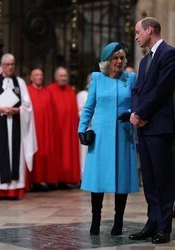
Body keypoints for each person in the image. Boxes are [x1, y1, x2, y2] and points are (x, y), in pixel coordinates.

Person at [78, 42, 139, 235]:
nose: (119, 62)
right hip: (101, 135)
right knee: (98, 178)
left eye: (121, 58)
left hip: (123, 134)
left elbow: (138, 103)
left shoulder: (130, 78)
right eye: (115, 58)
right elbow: (89, 107)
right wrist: (82, 129)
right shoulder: (97, 78)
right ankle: (95, 220)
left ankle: (118, 221)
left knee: (121, 179)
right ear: (107, 61)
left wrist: (129, 112)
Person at [129, 17, 175, 244]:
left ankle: (164, 227)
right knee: (148, 179)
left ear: (150, 30)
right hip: (144, 128)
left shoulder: (169, 54)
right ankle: (152, 222)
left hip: (160, 128)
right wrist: (137, 113)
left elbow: (161, 90)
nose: (136, 37)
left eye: (138, 32)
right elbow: (137, 90)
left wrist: (141, 114)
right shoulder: (144, 60)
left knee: (163, 179)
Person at [0, 53, 37, 199]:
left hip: (15, 123)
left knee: (14, 157)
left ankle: (13, 191)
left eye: (12, 64)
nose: (10, 67)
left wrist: (18, 110)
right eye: (7, 64)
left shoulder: (20, 82)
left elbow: (28, 105)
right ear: (2, 66)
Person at [47, 67, 80, 186]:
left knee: (68, 154)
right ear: (56, 77)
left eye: (65, 76)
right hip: (56, 129)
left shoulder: (71, 91)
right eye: (61, 76)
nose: (63, 78)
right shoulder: (50, 90)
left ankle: (66, 178)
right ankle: (54, 179)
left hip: (68, 129)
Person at [27, 68, 59, 190]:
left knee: (45, 153)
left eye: (41, 75)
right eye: (36, 75)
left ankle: (44, 180)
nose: (39, 77)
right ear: (31, 77)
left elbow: (52, 111)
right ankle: (33, 181)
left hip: (45, 129)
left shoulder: (47, 92)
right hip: (33, 129)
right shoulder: (27, 91)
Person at [77, 74, 90, 174]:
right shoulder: (82, 95)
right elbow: (78, 111)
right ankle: (83, 175)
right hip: (86, 128)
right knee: (83, 154)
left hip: (98, 129)